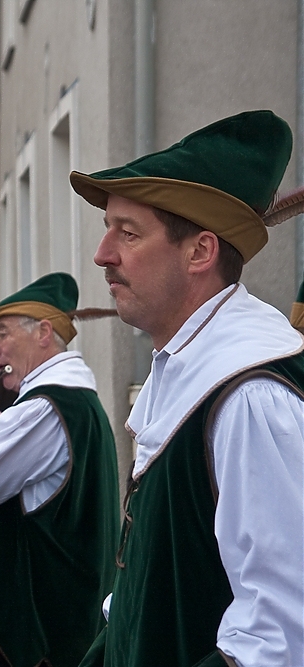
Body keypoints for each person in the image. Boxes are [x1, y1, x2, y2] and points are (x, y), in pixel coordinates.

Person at [70, 109, 304, 667]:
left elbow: (280, 635)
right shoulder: (185, 363)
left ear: (200, 252)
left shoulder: (249, 395)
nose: (103, 254)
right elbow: (151, 578)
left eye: (128, 233)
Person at [0, 272, 119, 667]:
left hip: (35, 640)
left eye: (1, 334)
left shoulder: (46, 407)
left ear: (44, 333)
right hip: (67, 624)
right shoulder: (75, 400)